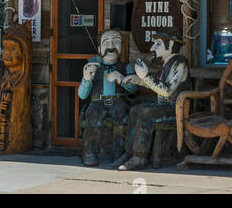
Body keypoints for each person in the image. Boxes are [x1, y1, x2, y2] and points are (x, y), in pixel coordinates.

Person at [112, 31, 189, 170]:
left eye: (157, 44)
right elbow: (155, 84)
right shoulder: (167, 63)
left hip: (174, 108)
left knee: (144, 112)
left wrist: (145, 76)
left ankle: (139, 157)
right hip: (162, 106)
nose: (152, 48)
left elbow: (166, 91)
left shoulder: (179, 64)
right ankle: (129, 152)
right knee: (135, 109)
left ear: (170, 45)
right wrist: (138, 79)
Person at [78, 30, 136, 166]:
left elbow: (133, 89)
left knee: (121, 114)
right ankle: (89, 152)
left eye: (116, 41)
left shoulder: (126, 67)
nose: (111, 46)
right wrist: (87, 79)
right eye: (106, 42)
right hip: (98, 102)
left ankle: (119, 152)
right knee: (93, 114)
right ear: (99, 49)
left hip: (118, 102)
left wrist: (122, 80)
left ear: (121, 46)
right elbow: (82, 95)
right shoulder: (93, 66)